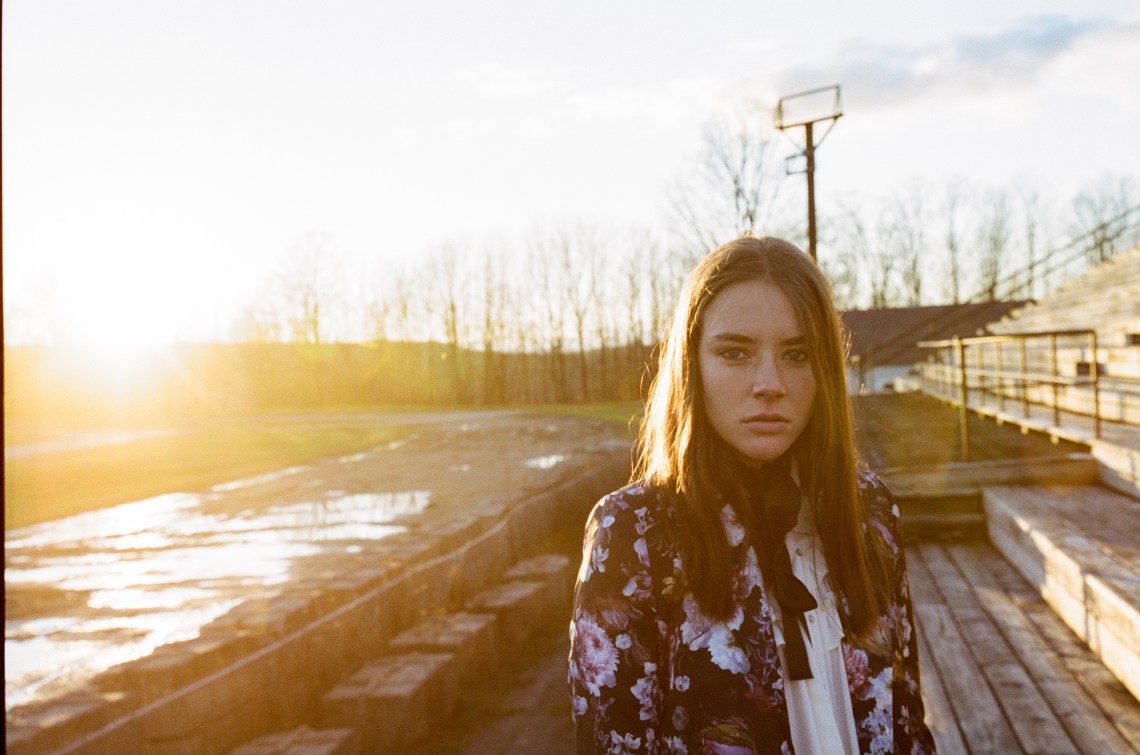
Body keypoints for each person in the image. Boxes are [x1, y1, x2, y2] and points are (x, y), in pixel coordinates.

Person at [567, 236, 935, 754]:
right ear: (692, 364)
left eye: (797, 354)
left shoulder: (869, 509)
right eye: (735, 353)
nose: (770, 383)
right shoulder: (634, 530)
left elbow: (906, 721)